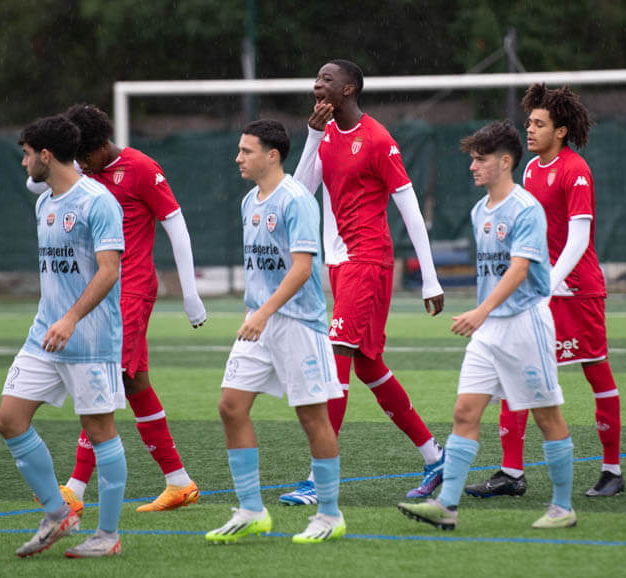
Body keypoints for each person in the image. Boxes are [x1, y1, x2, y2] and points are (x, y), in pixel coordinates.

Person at [26, 104, 207, 514]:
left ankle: (75, 488)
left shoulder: (140, 168)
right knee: (134, 382)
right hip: (100, 292)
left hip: (132, 291)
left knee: (102, 379)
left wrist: (190, 294)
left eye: (85, 156)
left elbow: (176, 225)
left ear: (103, 144)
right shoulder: (80, 170)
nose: (82, 164)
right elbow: (34, 184)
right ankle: (179, 481)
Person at [397, 121, 576, 530]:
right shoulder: (480, 211)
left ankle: (563, 507)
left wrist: (481, 310)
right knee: (465, 411)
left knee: (547, 416)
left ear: (505, 162)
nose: (473, 166)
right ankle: (447, 505)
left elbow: (519, 269)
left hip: (525, 324)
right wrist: (485, 316)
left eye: (481, 159)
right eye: (473, 159)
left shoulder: (526, 209)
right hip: (490, 330)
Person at [289, 59, 446, 503]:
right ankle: (435, 456)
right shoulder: (324, 137)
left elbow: (409, 208)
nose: (317, 84)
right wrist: (312, 136)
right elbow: (298, 195)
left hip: (369, 261)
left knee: (336, 355)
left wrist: (430, 278)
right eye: (316, 78)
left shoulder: (378, 139)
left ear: (349, 88)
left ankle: (320, 476)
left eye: (327, 79)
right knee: (369, 366)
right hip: (339, 265)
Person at [465, 83, 623, 500]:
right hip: (540, 294)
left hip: (578, 291)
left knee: (596, 372)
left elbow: (579, 238)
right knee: (513, 370)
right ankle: (511, 472)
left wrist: (550, 283)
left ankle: (612, 470)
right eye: (529, 122)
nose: (530, 130)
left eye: (539, 124)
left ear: (561, 131)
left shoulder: (576, 170)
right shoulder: (532, 170)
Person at [205, 120, 346, 544]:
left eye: (246, 151)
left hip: (298, 325)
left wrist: (264, 312)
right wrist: (258, 312)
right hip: (259, 323)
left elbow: (302, 269)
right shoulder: (249, 201)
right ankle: (251, 510)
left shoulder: (297, 200)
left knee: (312, 417)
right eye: (239, 150)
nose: (238, 158)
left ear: (272, 155)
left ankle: (330, 515)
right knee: (231, 407)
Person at [0, 115, 126, 557]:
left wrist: (71, 319)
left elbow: (109, 271)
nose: (24, 162)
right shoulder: (44, 203)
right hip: (44, 335)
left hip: (89, 339)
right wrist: (57, 320)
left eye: (27, 154)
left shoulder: (98, 202)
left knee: (99, 429)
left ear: (46, 155)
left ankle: (107, 536)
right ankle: (58, 513)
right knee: (10, 420)